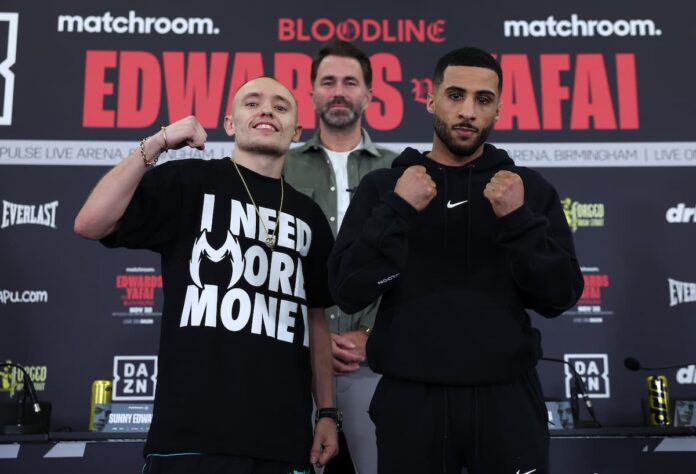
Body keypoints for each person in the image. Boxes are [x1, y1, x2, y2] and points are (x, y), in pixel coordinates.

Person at [328, 47, 584, 474]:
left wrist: (518, 220)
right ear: (430, 100)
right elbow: (348, 289)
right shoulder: (386, 187)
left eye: (483, 100)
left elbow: (559, 297)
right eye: (455, 95)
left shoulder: (527, 190)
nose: (468, 110)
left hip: (506, 400)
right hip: (412, 400)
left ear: (498, 110)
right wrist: (399, 209)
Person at [75, 77, 339, 474]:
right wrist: (157, 144)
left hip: (282, 440)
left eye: (281, 107)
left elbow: (315, 320)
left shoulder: (310, 216)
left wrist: (328, 412)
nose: (267, 110)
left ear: (297, 131)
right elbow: (90, 223)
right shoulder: (189, 183)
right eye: (253, 103)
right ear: (230, 123)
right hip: (189, 436)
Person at [284, 40, 396, 474]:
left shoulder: (400, 171)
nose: (338, 91)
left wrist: (372, 332)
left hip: (378, 365)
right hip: (295, 369)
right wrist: (312, 340)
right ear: (311, 93)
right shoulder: (281, 168)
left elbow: (411, 266)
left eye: (351, 82)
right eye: (327, 81)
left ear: (368, 94)